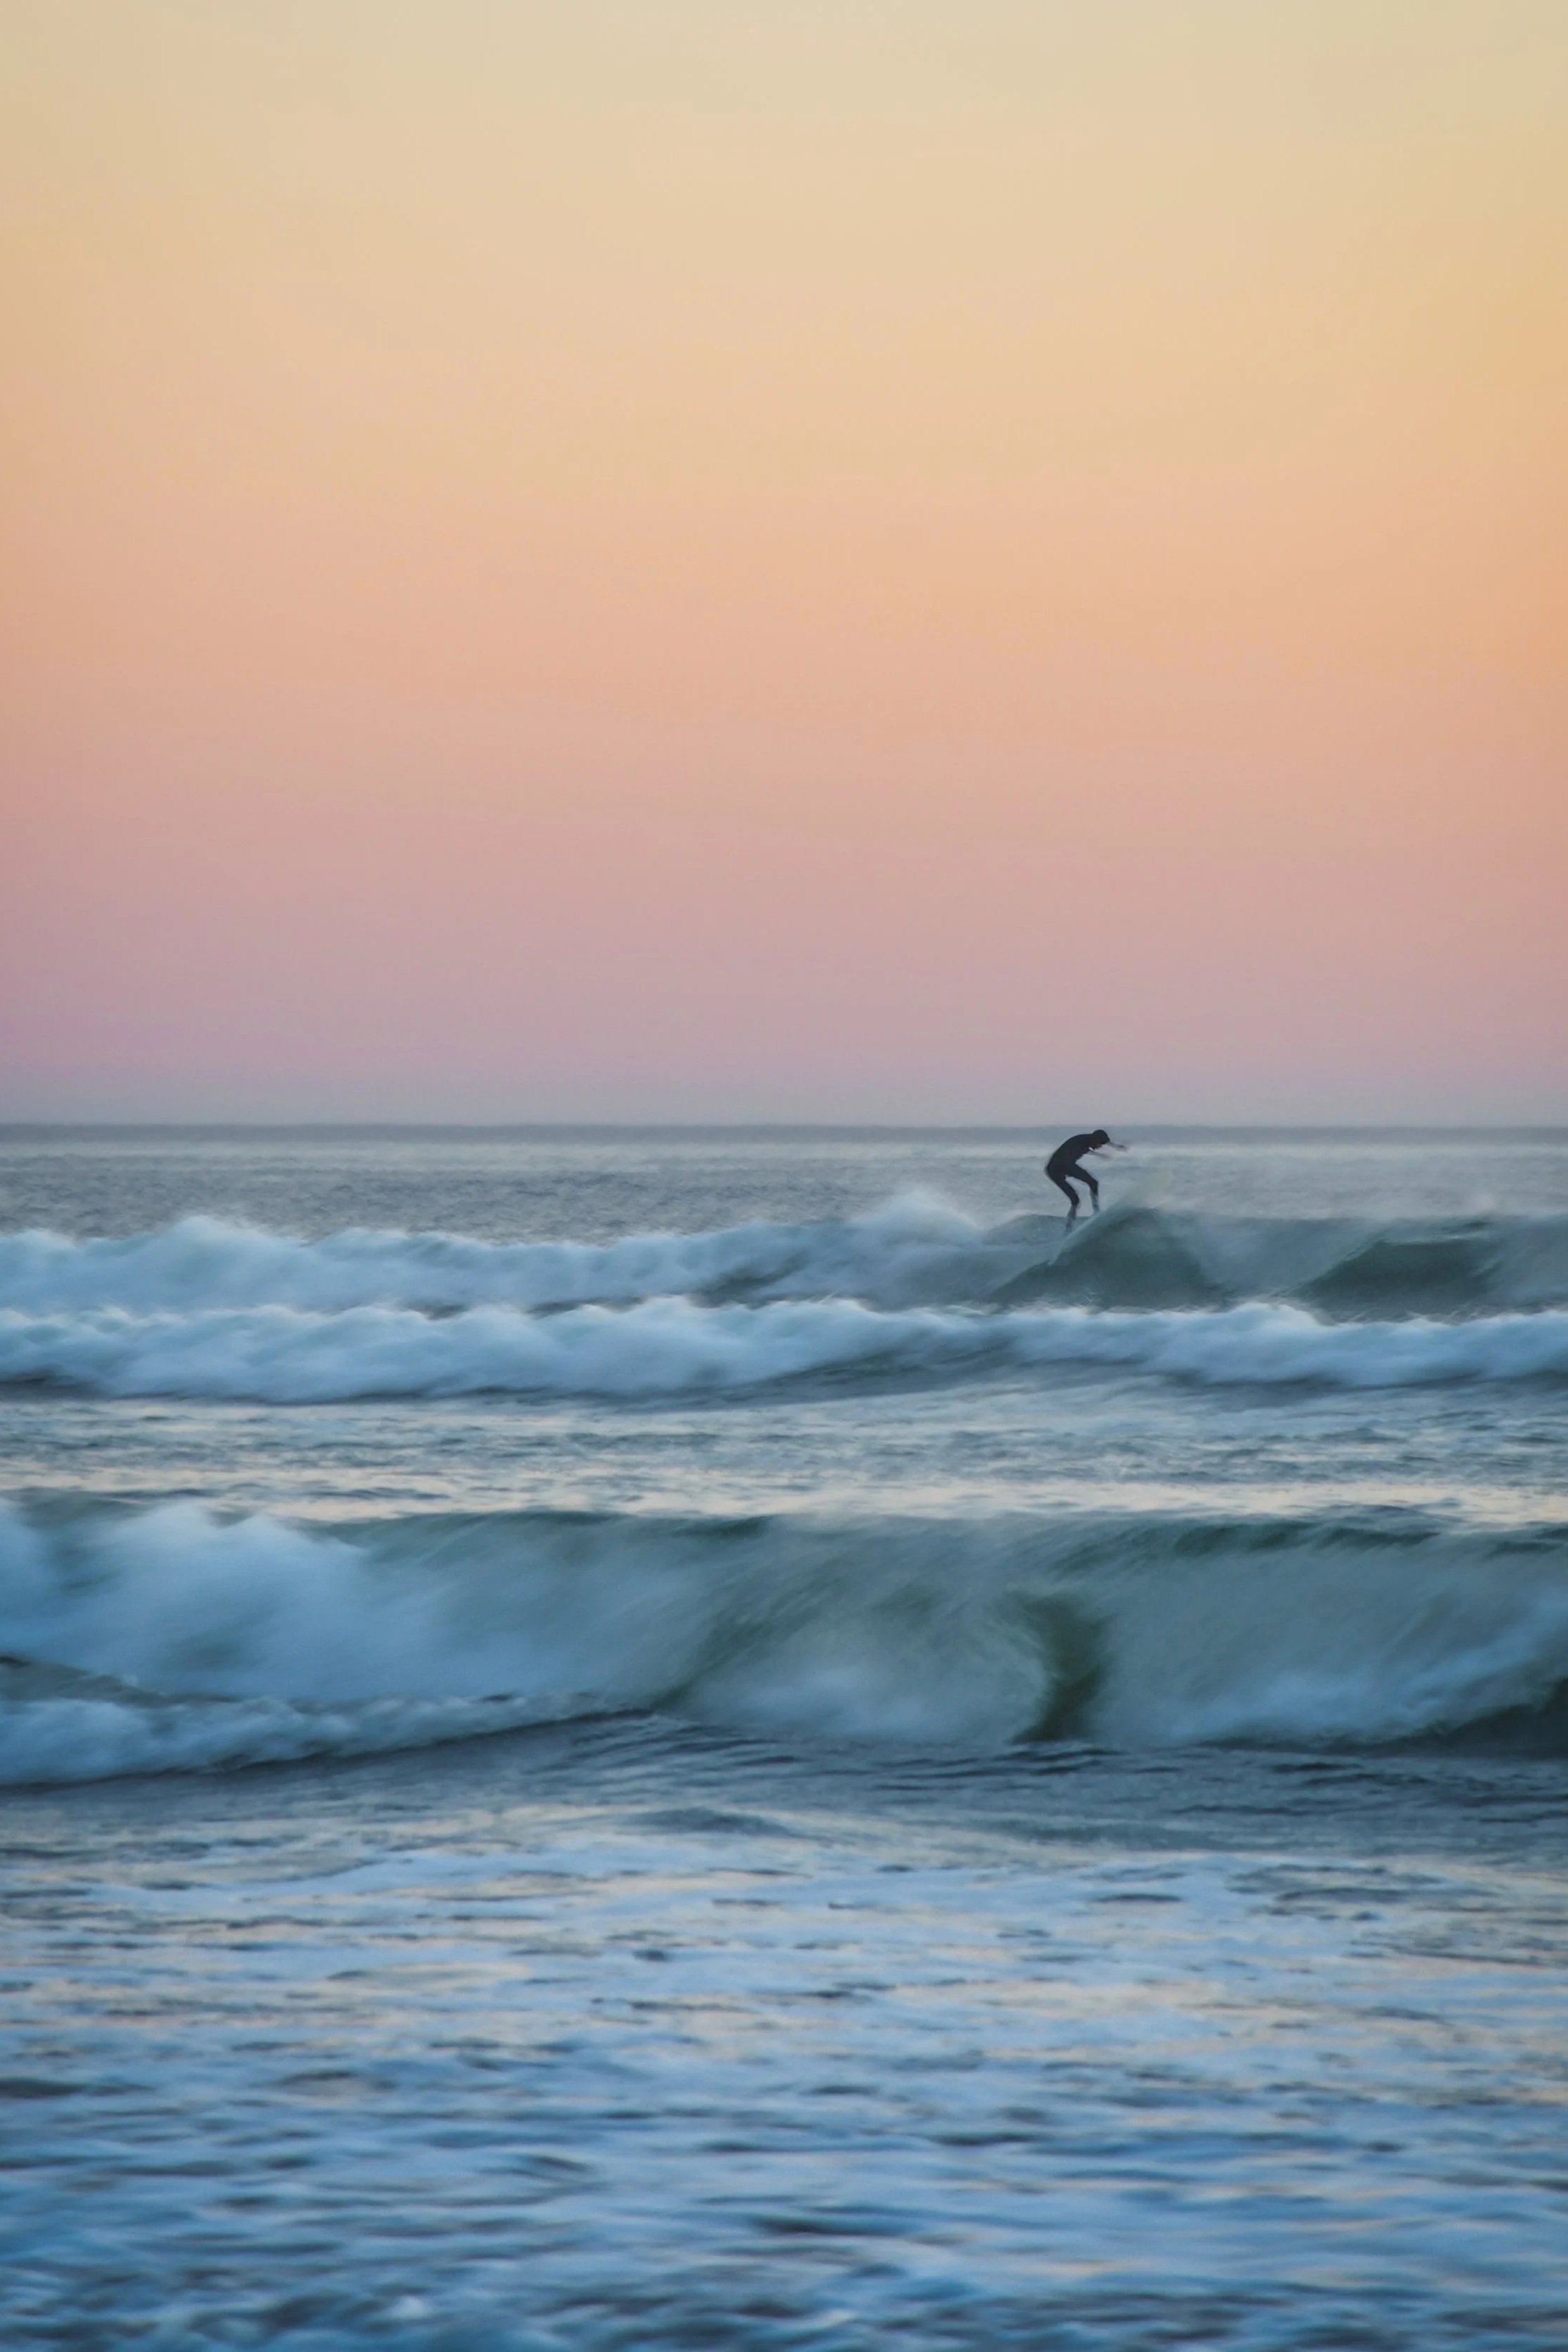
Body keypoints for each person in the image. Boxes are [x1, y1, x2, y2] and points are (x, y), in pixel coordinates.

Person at [1044, 1128, 1127, 1224]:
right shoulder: (1082, 1142)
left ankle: (1069, 1227)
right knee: (1093, 1183)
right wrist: (1100, 1155)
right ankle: (1096, 1212)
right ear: (1095, 1140)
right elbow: (1084, 1149)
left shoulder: (1089, 1140)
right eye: (1099, 1144)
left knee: (1076, 1201)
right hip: (1057, 1168)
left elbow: (1100, 1142)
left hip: (1058, 1167)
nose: (1099, 1147)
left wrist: (1116, 1147)